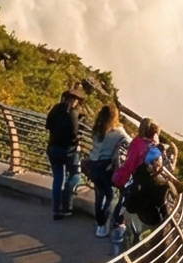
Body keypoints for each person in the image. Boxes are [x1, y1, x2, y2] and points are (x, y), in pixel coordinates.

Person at [106, 118, 159, 244]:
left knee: (122, 203)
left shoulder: (136, 142)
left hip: (131, 179)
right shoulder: (152, 148)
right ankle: (132, 237)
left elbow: (130, 161)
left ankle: (118, 230)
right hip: (141, 184)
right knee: (134, 209)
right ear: (153, 133)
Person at [119, 142, 177, 250]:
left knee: (136, 232)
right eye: (159, 160)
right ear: (156, 163)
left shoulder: (138, 171)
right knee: (157, 227)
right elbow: (162, 205)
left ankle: (132, 245)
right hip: (148, 218)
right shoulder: (161, 185)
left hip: (132, 210)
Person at [83, 105, 128, 237]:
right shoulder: (118, 131)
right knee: (109, 196)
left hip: (93, 165)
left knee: (99, 195)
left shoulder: (97, 129)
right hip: (105, 167)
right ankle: (102, 227)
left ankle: (99, 223)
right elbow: (130, 142)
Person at [44, 84, 84, 219]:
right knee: (75, 174)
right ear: (73, 100)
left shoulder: (55, 109)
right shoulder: (72, 113)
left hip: (53, 149)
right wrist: (77, 143)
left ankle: (56, 210)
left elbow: (48, 125)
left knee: (57, 179)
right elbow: (74, 133)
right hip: (69, 152)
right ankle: (66, 204)